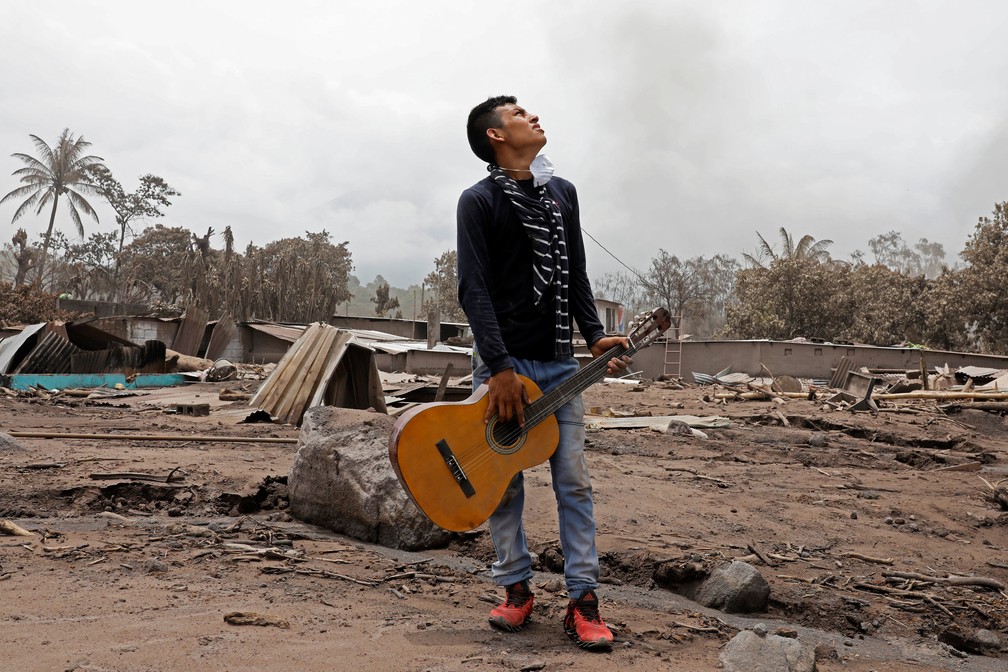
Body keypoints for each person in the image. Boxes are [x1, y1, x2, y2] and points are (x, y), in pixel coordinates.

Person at [456, 95, 631, 652]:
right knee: (503, 483)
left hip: (558, 364)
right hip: (503, 367)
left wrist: (593, 334)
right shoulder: (478, 201)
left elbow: (574, 271)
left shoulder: (562, 194)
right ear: (495, 136)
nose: (532, 116)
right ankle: (516, 589)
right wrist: (500, 369)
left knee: (573, 481)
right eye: (518, 114)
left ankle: (583, 600)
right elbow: (473, 289)